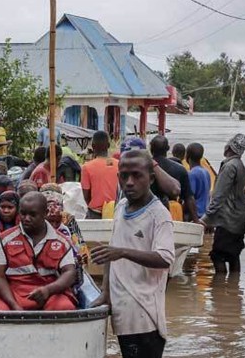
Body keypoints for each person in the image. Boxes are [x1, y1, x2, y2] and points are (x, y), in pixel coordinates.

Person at [91, 149, 175, 358]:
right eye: (124, 176)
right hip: (122, 311)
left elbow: (165, 259)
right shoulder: (120, 207)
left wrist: (121, 252)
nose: (129, 182)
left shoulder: (158, 215)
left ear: (151, 178)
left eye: (137, 175)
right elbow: (113, 249)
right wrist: (105, 293)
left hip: (144, 315)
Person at [0, 192, 77, 311]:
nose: (26, 218)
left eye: (32, 214)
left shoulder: (62, 241)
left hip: (50, 293)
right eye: (23, 213)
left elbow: (69, 272)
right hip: (14, 294)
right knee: (0, 311)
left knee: (64, 307)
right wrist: (14, 305)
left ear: (45, 213)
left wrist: (48, 290)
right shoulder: (4, 240)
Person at [200, 134, 245, 273]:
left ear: (228, 147)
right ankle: (234, 288)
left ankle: (219, 289)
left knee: (218, 256)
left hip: (228, 220)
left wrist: (206, 219)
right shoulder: (240, 165)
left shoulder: (229, 166)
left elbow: (219, 196)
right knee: (234, 255)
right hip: (240, 218)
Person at [150, 136, 198, 223]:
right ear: (168, 149)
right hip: (173, 214)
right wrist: (196, 221)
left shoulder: (143, 168)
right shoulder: (180, 169)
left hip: (148, 213)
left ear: (150, 148)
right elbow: (189, 198)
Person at [81, 131, 119, 219]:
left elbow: (86, 196)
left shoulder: (86, 167)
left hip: (95, 213)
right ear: (108, 145)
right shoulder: (119, 164)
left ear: (93, 146)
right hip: (116, 212)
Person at [186, 143, 211, 219]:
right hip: (205, 214)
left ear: (187, 157)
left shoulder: (192, 174)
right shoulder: (206, 172)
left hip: (196, 214)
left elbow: (190, 197)